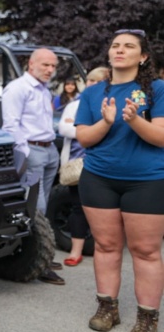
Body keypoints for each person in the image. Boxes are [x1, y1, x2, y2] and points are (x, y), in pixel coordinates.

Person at [75, 29, 164, 332]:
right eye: (115, 45)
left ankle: (147, 318)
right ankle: (107, 308)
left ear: (143, 57)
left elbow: (161, 136)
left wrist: (134, 120)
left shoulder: (156, 89)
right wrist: (107, 122)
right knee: (106, 247)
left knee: (146, 251)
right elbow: (84, 138)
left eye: (129, 46)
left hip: (148, 181)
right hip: (99, 178)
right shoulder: (93, 92)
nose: (120, 50)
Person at [1, 47, 65, 285]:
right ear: (31, 64)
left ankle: (42, 253)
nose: (50, 70)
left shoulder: (44, 90)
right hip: (33, 151)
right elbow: (11, 125)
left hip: (48, 150)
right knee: (34, 208)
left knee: (43, 206)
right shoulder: (18, 89)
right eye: (46, 65)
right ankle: (40, 262)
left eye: (53, 66)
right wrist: (26, 153)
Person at [57, 66, 109, 266]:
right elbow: (64, 128)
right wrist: (99, 127)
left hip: (104, 164)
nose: (92, 85)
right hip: (78, 166)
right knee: (78, 208)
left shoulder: (111, 103)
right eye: (90, 80)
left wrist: (82, 127)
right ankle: (75, 251)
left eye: (98, 81)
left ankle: (104, 250)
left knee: (106, 209)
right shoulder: (75, 104)